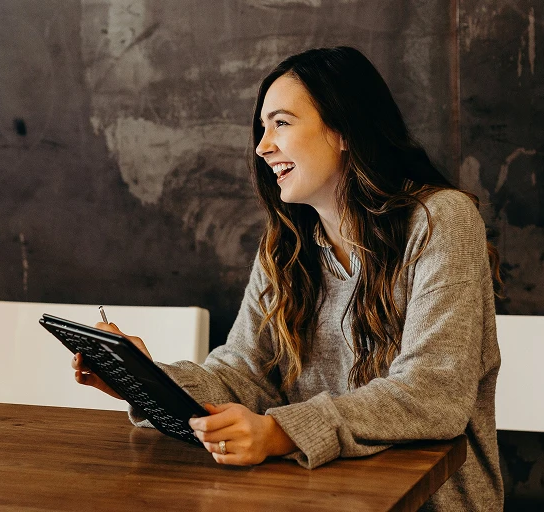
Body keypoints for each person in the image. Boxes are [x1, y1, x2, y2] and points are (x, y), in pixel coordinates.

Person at [72, 46, 504, 511]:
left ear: (343, 130)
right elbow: (242, 374)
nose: (262, 147)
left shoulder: (441, 221)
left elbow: (432, 392)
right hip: (313, 496)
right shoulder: (285, 248)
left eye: (281, 122)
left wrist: (279, 433)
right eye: (262, 128)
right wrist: (146, 380)